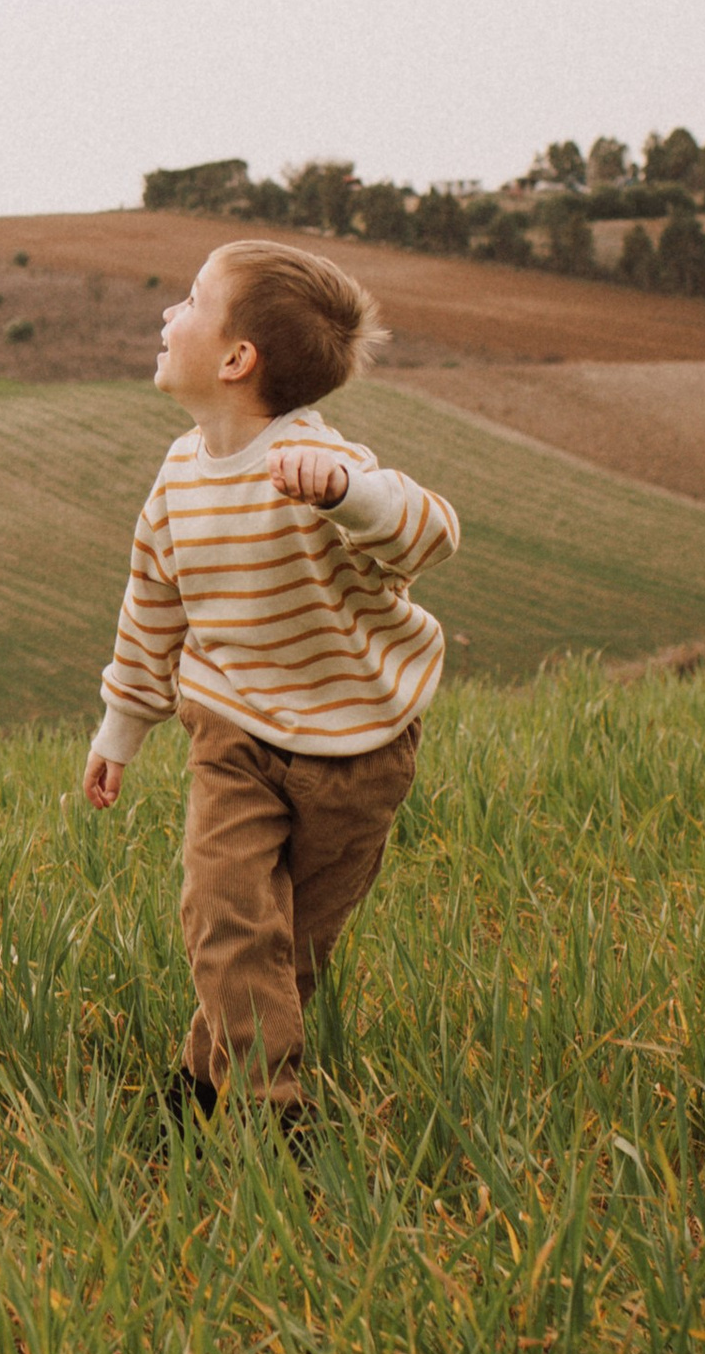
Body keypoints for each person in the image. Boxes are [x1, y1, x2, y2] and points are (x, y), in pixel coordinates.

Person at [83, 239, 459, 1147]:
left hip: (361, 746)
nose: (169, 313)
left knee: (292, 948)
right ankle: (269, 1117)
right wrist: (121, 726)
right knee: (226, 917)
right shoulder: (178, 477)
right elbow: (153, 608)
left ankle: (202, 1079)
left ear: (236, 359)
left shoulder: (323, 466)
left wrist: (347, 495)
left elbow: (431, 534)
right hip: (232, 734)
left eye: (190, 298)